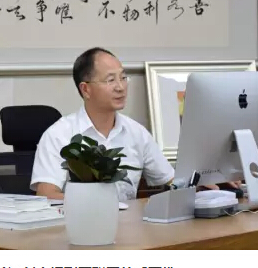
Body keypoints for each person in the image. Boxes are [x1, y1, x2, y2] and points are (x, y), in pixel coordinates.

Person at [30, 47, 175, 201]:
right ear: (86, 89)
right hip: (78, 216)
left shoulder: (137, 133)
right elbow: (47, 195)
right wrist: (99, 205)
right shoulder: (58, 135)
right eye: (110, 80)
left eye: (123, 78)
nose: (120, 87)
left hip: (129, 217)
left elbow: (172, 181)